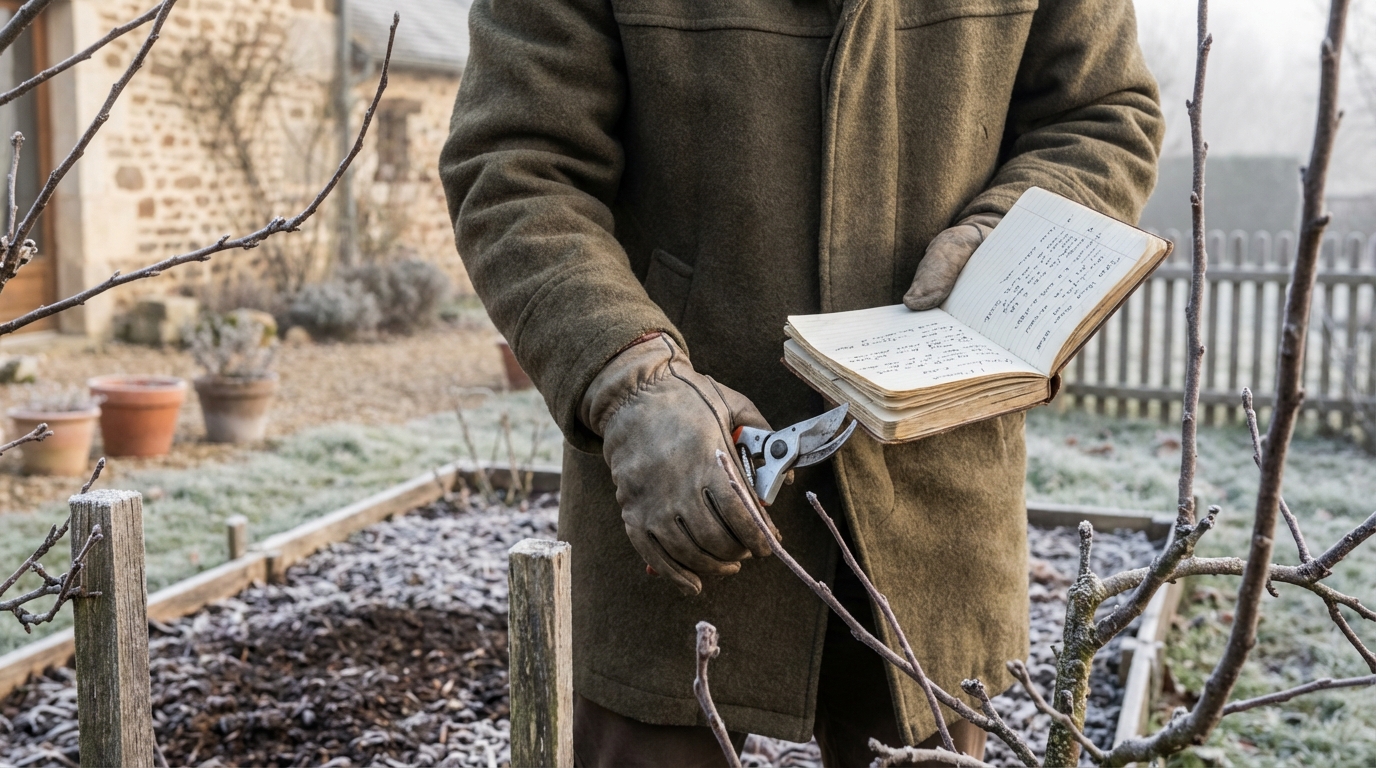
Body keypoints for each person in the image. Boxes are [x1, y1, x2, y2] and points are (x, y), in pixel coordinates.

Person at [441, 0, 1163, 762]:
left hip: (933, 480)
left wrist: (1000, 235)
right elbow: (516, 162)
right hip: (673, 478)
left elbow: (1104, 115)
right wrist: (629, 378)